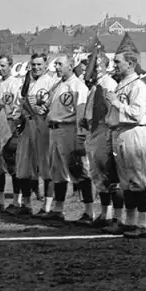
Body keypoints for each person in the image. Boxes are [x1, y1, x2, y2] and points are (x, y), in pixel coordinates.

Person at [104, 51, 146, 238]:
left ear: (130, 64)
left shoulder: (138, 86)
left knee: (138, 180)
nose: (114, 65)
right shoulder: (122, 85)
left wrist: (116, 103)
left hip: (133, 133)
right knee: (125, 182)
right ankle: (130, 222)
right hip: (120, 133)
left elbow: (137, 114)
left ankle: (142, 224)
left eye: (118, 62)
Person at [44, 54, 91, 223]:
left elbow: (81, 114)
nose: (56, 67)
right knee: (57, 171)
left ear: (70, 66)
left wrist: (80, 137)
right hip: (54, 130)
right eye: (56, 64)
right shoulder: (58, 84)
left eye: (60, 64)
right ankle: (58, 209)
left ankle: (88, 211)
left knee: (78, 169)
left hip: (69, 130)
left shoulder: (78, 86)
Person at [80, 53, 123, 229]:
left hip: (104, 132)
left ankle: (114, 215)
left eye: (98, 66)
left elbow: (111, 110)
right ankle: (105, 213)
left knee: (108, 174)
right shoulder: (94, 87)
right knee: (97, 174)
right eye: (92, 66)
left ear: (105, 66)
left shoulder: (108, 84)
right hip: (93, 132)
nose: (95, 69)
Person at [15, 53, 60, 216]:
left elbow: (55, 104)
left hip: (43, 125)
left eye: (39, 64)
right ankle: (26, 204)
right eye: (33, 64)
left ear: (46, 65)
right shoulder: (26, 82)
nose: (36, 67)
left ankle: (46, 207)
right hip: (28, 124)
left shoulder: (52, 82)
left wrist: (44, 107)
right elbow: (20, 104)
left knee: (46, 165)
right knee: (24, 165)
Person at [0, 55, 23, 214]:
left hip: (10, 127)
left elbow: (19, 106)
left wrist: (15, 123)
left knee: (13, 164)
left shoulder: (16, 83)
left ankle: (17, 200)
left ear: (10, 65)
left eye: (3, 65)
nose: (0, 68)